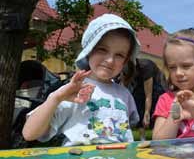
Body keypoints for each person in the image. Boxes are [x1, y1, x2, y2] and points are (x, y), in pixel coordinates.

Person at [22, 14, 140, 146]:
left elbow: (129, 125)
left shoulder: (125, 94)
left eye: (119, 55)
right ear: (89, 51)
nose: (110, 60)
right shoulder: (73, 90)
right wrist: (56, 98)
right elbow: (29, 133)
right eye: (102, 49)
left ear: (125, 61)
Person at [127, 58, 166, 141]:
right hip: (140, 86)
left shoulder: (146, 67)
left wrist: (147, 112)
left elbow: (149, 95)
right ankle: (142, 137)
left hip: (156, 88)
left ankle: (157, 134)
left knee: (153, 109)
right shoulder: (125, 68)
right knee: (137, 103)